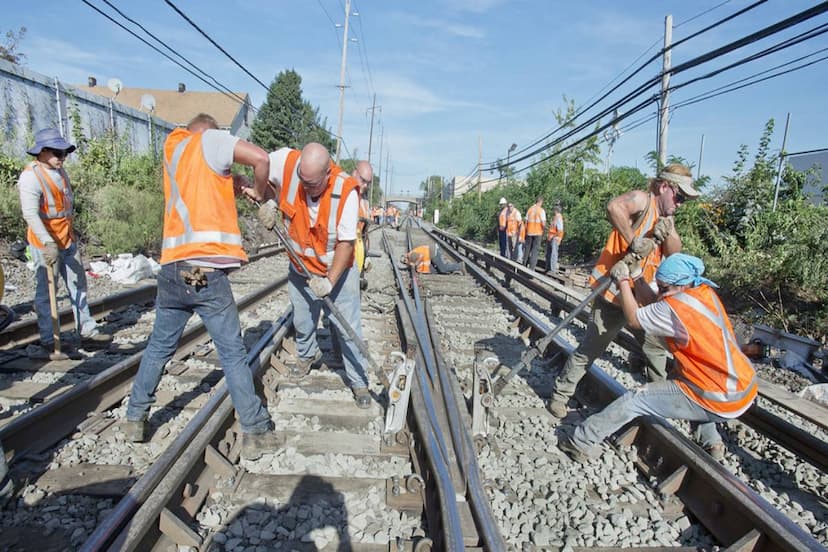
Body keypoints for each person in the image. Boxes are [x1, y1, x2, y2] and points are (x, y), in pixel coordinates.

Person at [124, 113, 278, 460]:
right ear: (209, 130)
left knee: (159, 346)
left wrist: (233, 182)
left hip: (172, 268)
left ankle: (135, 418)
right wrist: (259, 191)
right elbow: (262, 159)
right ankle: (255, 429)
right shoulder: (211, 139)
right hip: (204, 271)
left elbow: (205, 187)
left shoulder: (174, 148)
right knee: (232, 353)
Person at [558, 253, 757, 462]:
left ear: (680, 284)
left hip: (719, 395)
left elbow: (635, 319)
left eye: (664, 288)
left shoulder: (675, 308)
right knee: (682, 378)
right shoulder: (703, 293)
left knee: (637, 398)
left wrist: (623, 282)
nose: (660, 293)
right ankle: (711, 442)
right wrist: (637, 277)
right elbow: (658, 305)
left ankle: (580, 442)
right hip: (742, 385)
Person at [548, 163, 699, 418]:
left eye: (684, 199)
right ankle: (560, 395)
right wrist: (635, 241)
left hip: (642, 298)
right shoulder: (642, 200)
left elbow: (674, 254)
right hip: (614, 294)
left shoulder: (666, 220)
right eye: (679, 196)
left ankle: (657, 406)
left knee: (656, 354)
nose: (681, 203)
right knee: (591, 349)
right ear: (664, 187)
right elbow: (614, 207)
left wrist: (669, 231)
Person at [257, 143, 372, 409]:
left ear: (327, 174)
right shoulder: (287, 165)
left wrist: (329, 281)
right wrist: (266, 198)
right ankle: (308, 355)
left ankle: (358, 380)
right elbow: (256, 161)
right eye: (302, 180)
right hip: (300, 269)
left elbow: (345, 244)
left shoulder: (346, 192)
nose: (305, 188)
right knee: (302, 318)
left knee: (348, 326)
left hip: (338, 272)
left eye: (312, 184)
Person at [17, 128, 110, 358]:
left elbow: (63, 208)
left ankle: (87, 330)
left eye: (64, 152)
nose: (62, 157)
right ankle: (50, 339)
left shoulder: (60, 171)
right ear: (42, 152)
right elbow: (30, 215)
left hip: (67, 238)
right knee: (46, 291)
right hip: (44, 242)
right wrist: (48, 243)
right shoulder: (31, 177)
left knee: (78, 285)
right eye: (57, 152)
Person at [353, 161, 373, 288]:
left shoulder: (364, 202)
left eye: (368, 183)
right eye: (362, 180)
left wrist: (367, 255)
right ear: (354, 173)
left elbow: (365, 233)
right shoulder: (343, 194)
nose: (365, 185)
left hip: (358, 250)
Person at [523, 196, 546, 270]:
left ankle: (524, 265)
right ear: (541, 202)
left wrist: (526, 232)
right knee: (535, 251)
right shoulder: (541, 210)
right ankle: (531, 268)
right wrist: (544, 230)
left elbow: (526, 222)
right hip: (537, 233)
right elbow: (543, 223)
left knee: (527, 250)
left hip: (529, 232)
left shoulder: (530, 209)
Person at [546, 204, 564, 273]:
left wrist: (554, 236)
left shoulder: (559, 217)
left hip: (555, 238)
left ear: (556, 210)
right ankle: (548, 268)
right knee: (549, 253)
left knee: (553, 253)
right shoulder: (555, 217)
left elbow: (560, 230)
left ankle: (552, 269)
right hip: (551, 237)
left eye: (554, 210)